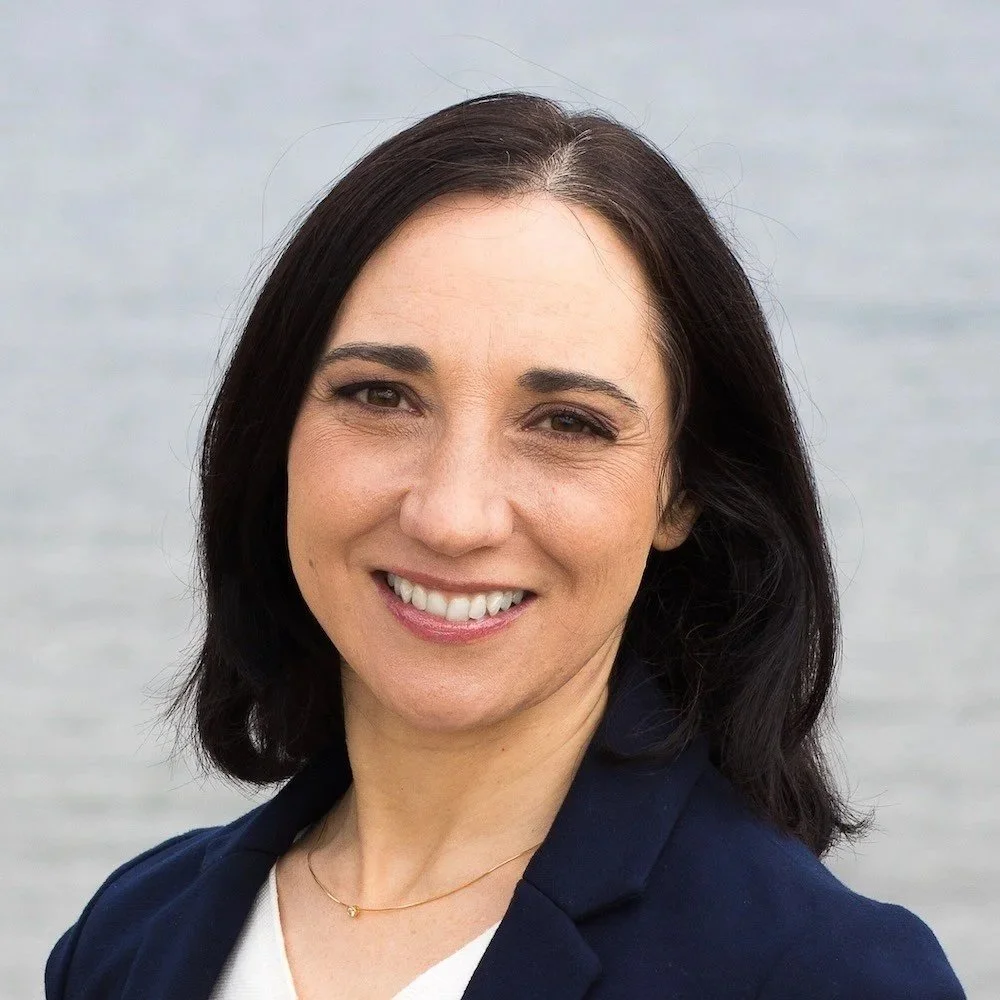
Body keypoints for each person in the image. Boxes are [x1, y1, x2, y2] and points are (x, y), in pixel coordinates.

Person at [44, 91, 965, 1000]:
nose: (452, 515)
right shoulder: (127, 940)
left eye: (566, 423)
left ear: (681, 493)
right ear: (276, 433)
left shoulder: (829, 976)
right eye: (380, 396)